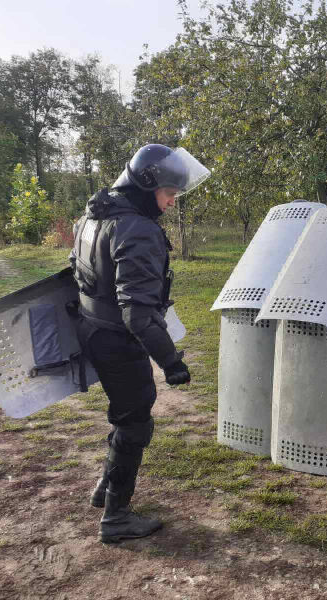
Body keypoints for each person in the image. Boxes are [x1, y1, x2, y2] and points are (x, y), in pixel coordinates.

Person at [71, 144, 210, 543]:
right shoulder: (138, 229)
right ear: (147, 185)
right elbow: (139, 314)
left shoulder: (96, 215)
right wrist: (172, 363)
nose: (172, 201)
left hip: (95, 331)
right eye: (169, 192)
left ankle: (104, 490)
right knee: (135, 424)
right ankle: (116, 518)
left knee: (124, 416)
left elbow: (80, 275)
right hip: (119, 338)